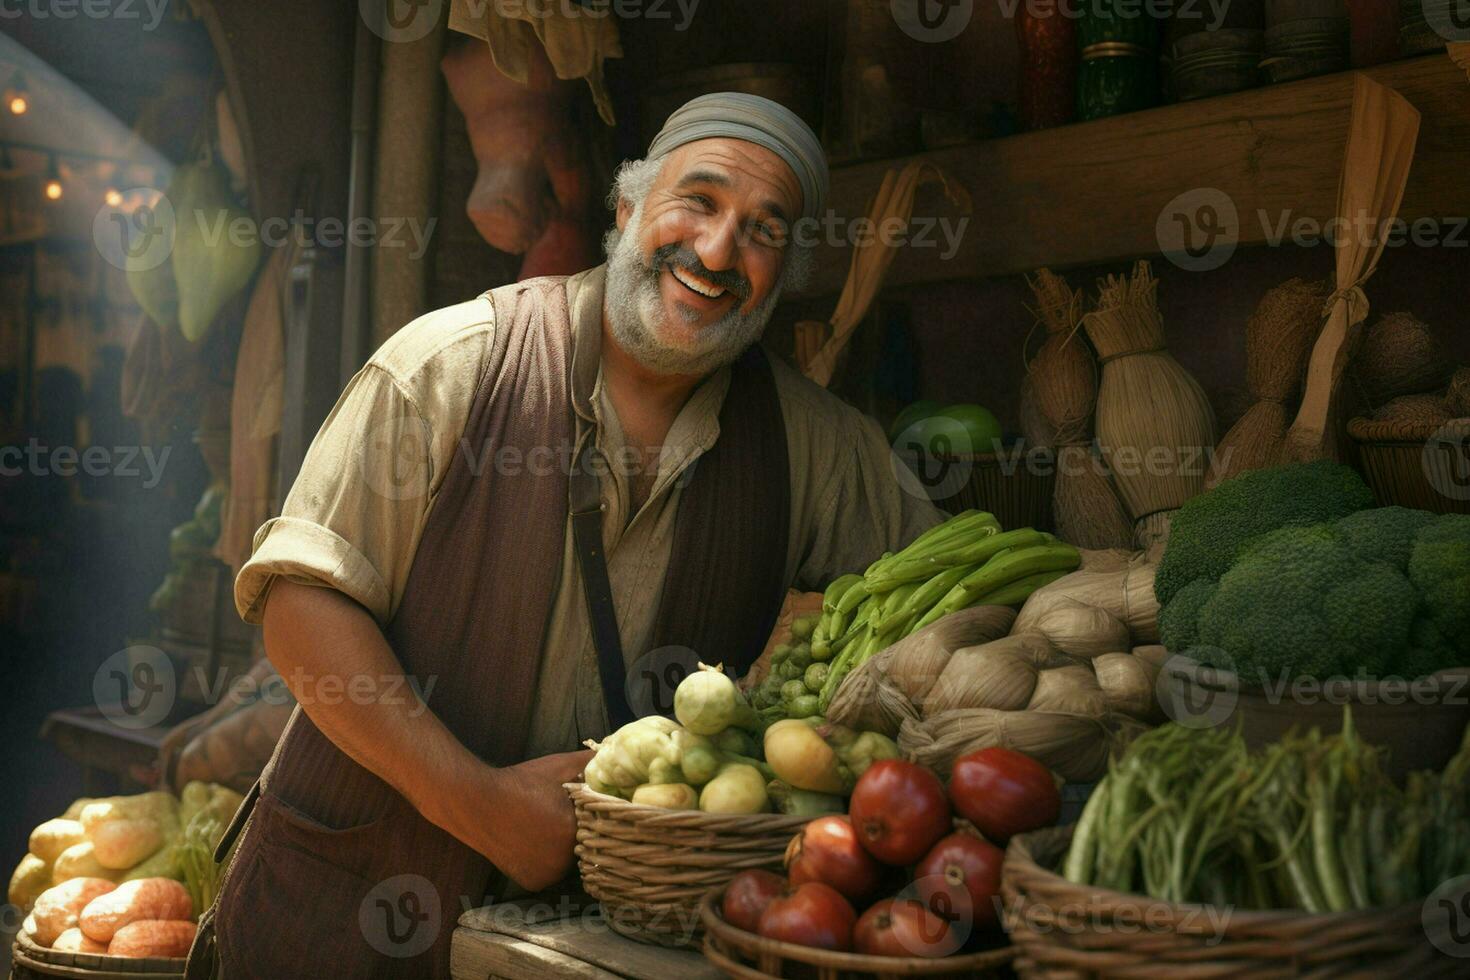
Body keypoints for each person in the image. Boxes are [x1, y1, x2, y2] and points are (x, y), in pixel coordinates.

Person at [186, 92, 944, 979]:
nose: (717, 251)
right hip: (342, 918)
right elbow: (298, 603)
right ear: (627, 211)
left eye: (763, 231)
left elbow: (946, 615)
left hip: (585, 957)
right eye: (697, 202)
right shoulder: (454, 365)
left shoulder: (818, 448)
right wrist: (483, 806)